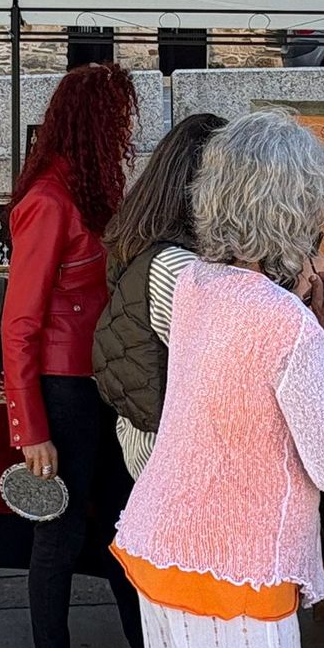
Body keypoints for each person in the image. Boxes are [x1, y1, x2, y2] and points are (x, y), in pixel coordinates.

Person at [113, 110, 324, 648]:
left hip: (158, 543)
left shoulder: (200, 284)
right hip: (231, 566)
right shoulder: (284, 321)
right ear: (301, 206)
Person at [1, 61, 146, 648]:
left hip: (103, 383)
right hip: (62, 391)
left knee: (124, 518)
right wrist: (30, 427)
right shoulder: (51, 199)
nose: (127, 130)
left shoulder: (96, 186)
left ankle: (142, 647)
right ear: (93, 122)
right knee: (57, 538)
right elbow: (20, 323)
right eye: (117, 117)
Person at [93, 112, 227, 479]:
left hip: (152, 444)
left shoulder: (150, 249)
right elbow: (222, 372)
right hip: (173, 459)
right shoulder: (177, 267)